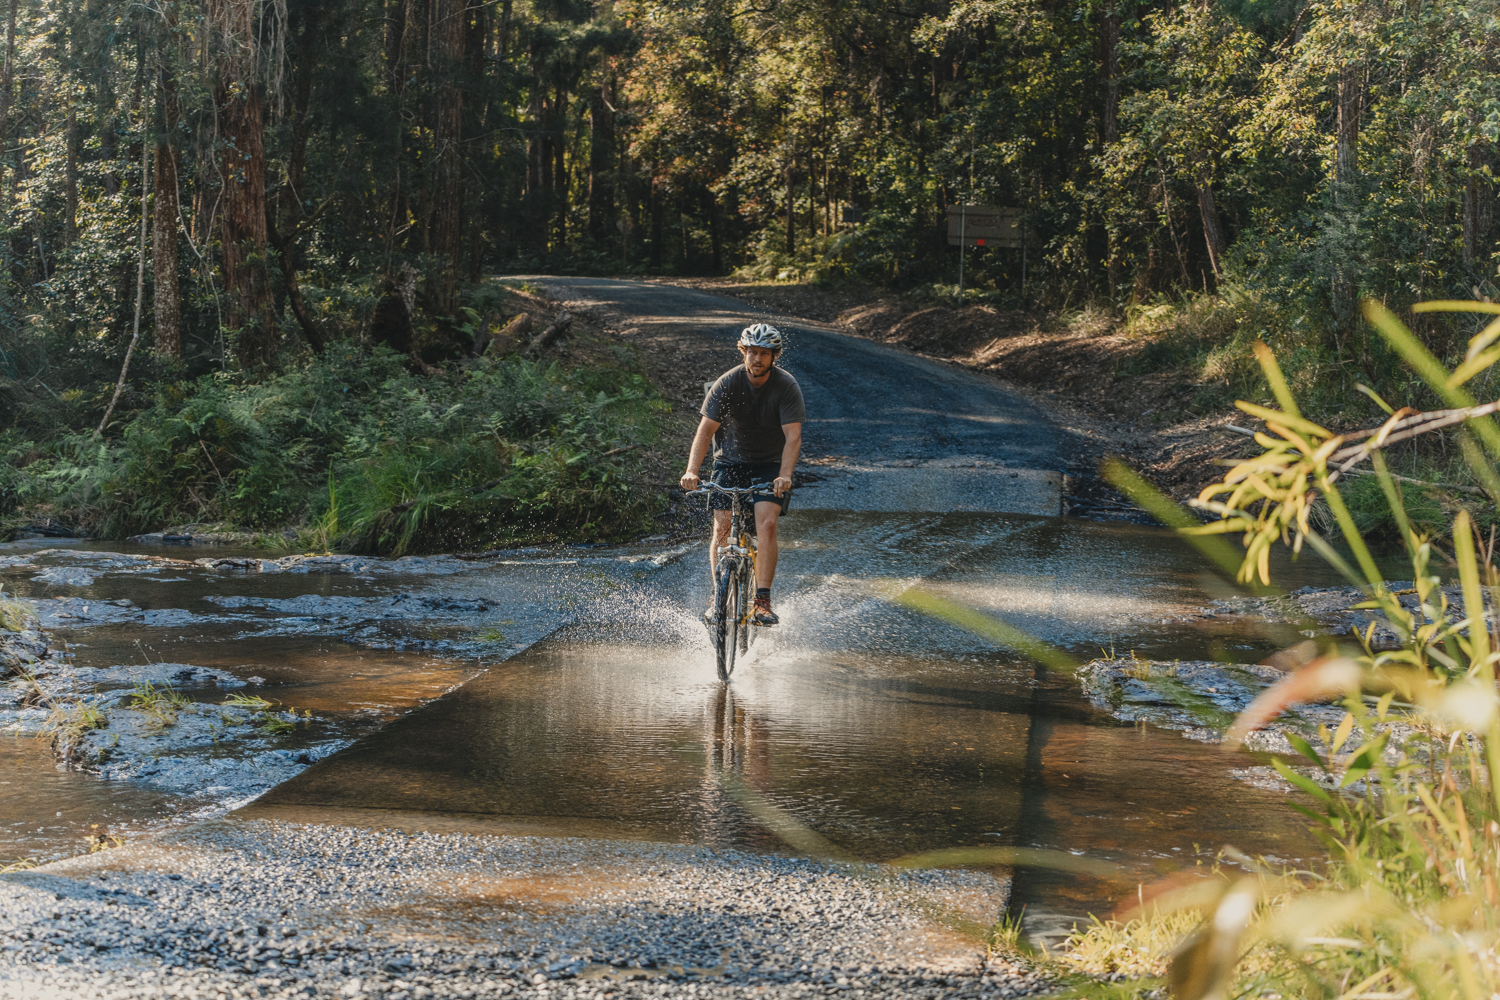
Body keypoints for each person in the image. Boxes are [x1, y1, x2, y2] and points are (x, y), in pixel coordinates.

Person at [679, 323, 804, 626]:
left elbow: (793, 437)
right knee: (721, 528)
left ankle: (762, 600)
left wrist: (785, 475)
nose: (756, 359)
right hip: (730, 463)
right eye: (751, 352)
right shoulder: (727, 383)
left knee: (768, 524)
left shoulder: (786, 386)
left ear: (774, 356)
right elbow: (705, 431)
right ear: (743, 352)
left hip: (770, 465)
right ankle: (716, 597)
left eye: (763, 353)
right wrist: (692, 470)